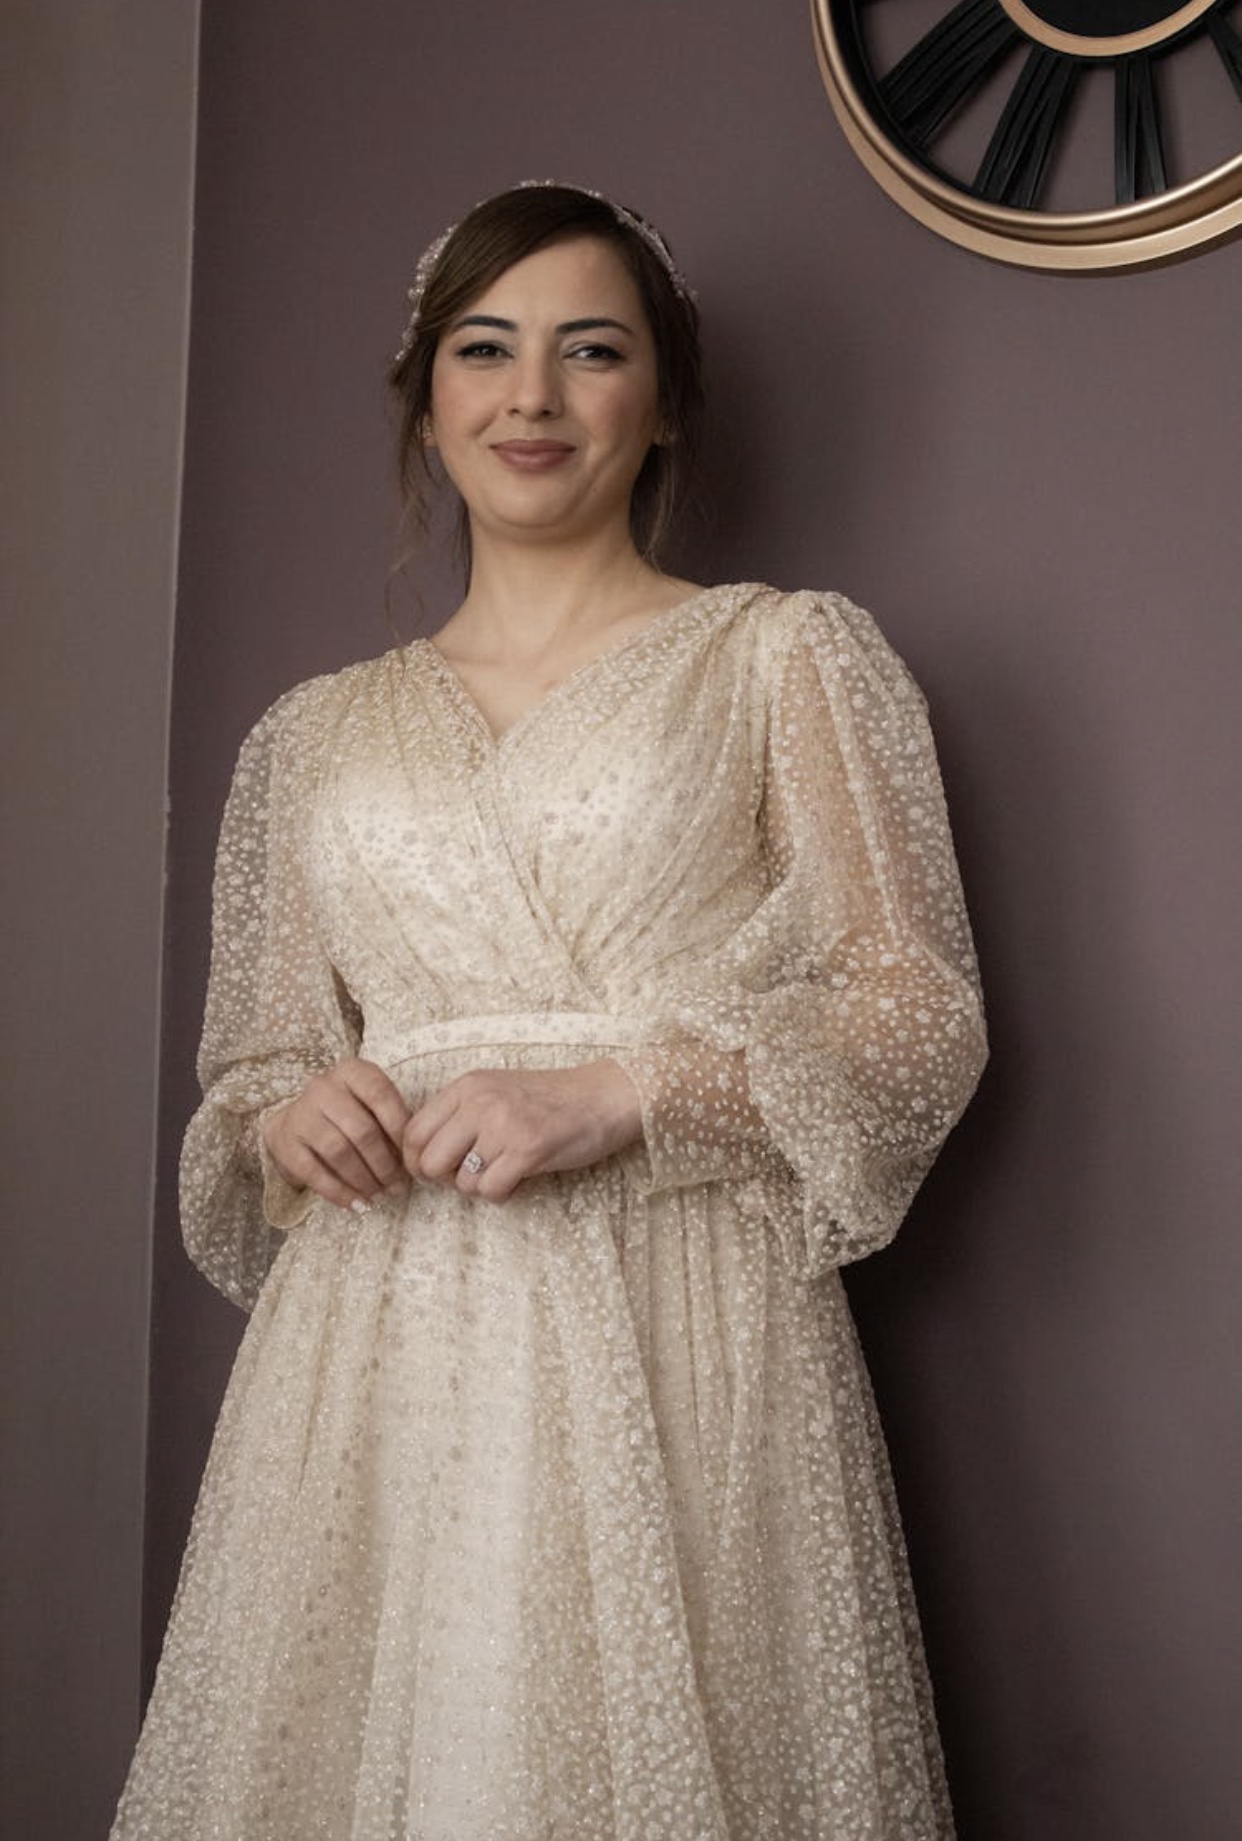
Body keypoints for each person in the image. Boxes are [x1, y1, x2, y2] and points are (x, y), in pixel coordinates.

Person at [111, 181, 987, 1841]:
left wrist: (621, 1092)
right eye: (484, 348)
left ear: (659, 405)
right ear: (426, 401)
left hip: (676, 1317)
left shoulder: (784, 657)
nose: (532, 396)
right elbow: (255, 1073)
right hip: (380, 1343)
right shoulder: (308, 737)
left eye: (591, 351)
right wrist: (291, 1109)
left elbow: (913, 1014)